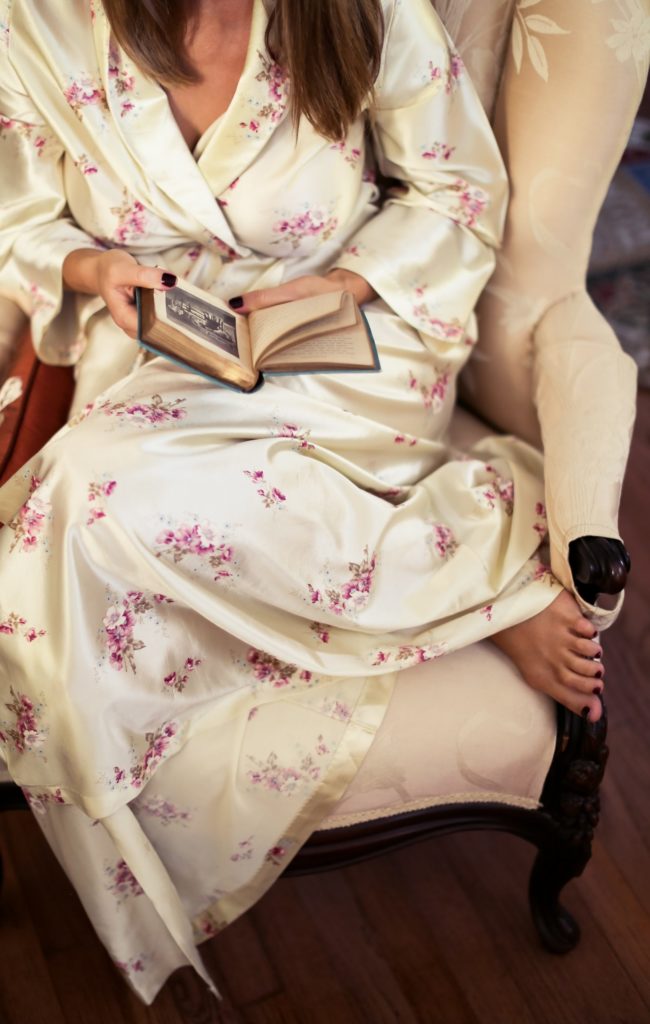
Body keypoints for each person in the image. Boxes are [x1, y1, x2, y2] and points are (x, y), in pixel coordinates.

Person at [0, 0, 609, 1003]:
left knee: (78, 521)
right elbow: (20, 216)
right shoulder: (38, 20)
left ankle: (489, 581)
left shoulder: (359, 10)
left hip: (350, 349)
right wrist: (93, 266)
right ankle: (454, 575)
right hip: (163, 362)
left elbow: (456, 194)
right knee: (70, 522)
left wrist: (347, 286)